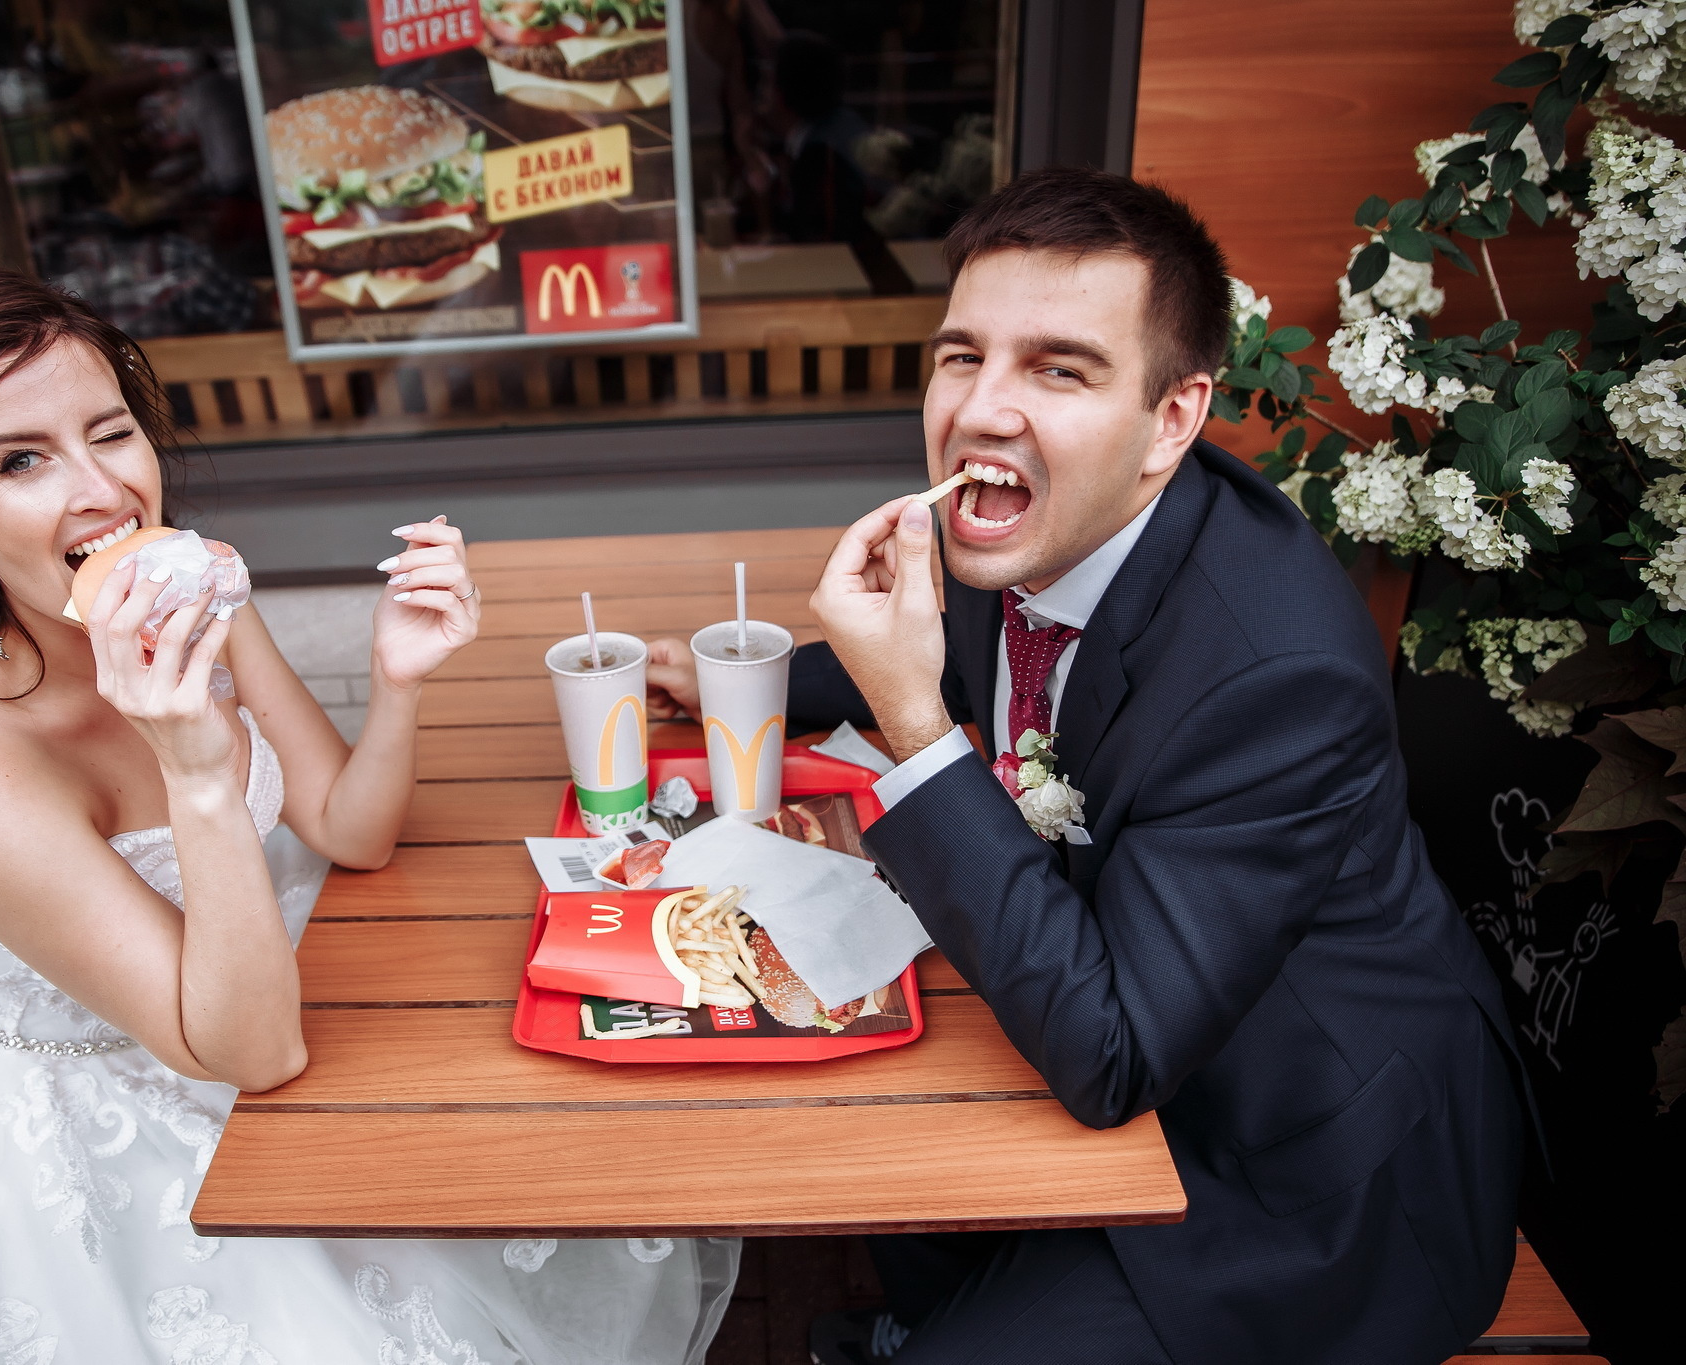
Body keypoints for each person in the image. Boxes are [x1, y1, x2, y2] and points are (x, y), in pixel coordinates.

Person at [0, 265, 737, 1364]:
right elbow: (248, 1054)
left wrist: (397, 678)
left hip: (283, 996)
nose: (102, 490)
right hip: (104, 1129)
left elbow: (348, 829)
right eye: (22, 460)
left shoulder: (192, 589)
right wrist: (197, 770)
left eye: (109, 433)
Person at [647, 167, 1524, 1364]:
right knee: (865, 1126)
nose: (981, 411)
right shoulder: (1024, 524)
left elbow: (1112, 1056)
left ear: (1173, 417)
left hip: (1291, 1164)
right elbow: (948, 652)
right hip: (1116, 1028)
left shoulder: (1276, 674)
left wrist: (914, 727)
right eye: (963, 357)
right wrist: (747, 685)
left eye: (1058, 369)